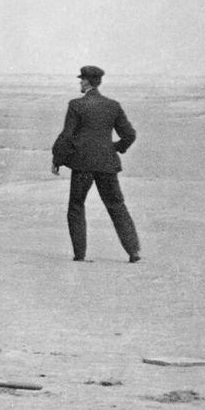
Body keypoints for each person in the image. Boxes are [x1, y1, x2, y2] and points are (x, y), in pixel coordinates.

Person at [50, 65, 140, 263]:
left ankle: (79, 255)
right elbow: (130, 135)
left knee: (76, 206)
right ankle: (134, 252)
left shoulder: (76, 105)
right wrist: (114, 148)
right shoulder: (113, 105)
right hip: (107, 164)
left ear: (86, 82)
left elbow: (67, 135)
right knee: (117, 206)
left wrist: (57, 158)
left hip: (82, 165)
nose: (80, 83)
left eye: (81, 80)